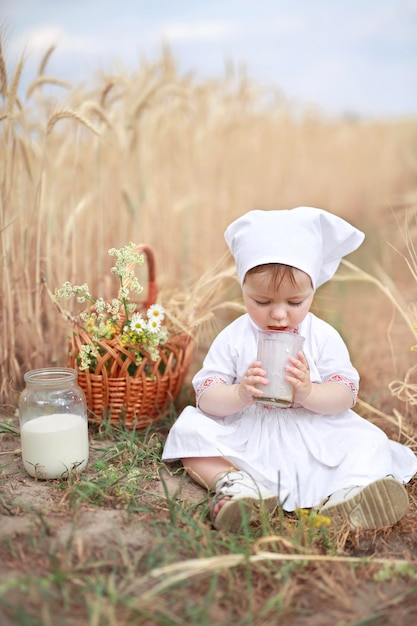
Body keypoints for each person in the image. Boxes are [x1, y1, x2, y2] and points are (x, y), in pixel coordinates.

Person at [162, 207, 417, 532]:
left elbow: (345, 394)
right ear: (243, 290)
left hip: (311, 430)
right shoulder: (236, 337)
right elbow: (207, 396)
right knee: (190, 431)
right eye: (262, 302)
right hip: (251, 431)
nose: (279, 315)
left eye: (294, 303)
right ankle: (236, 486)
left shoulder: (322, 336)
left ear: (313, 292)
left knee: (371, 442)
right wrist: (239, 393)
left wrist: (310, 392)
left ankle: (349, 494)